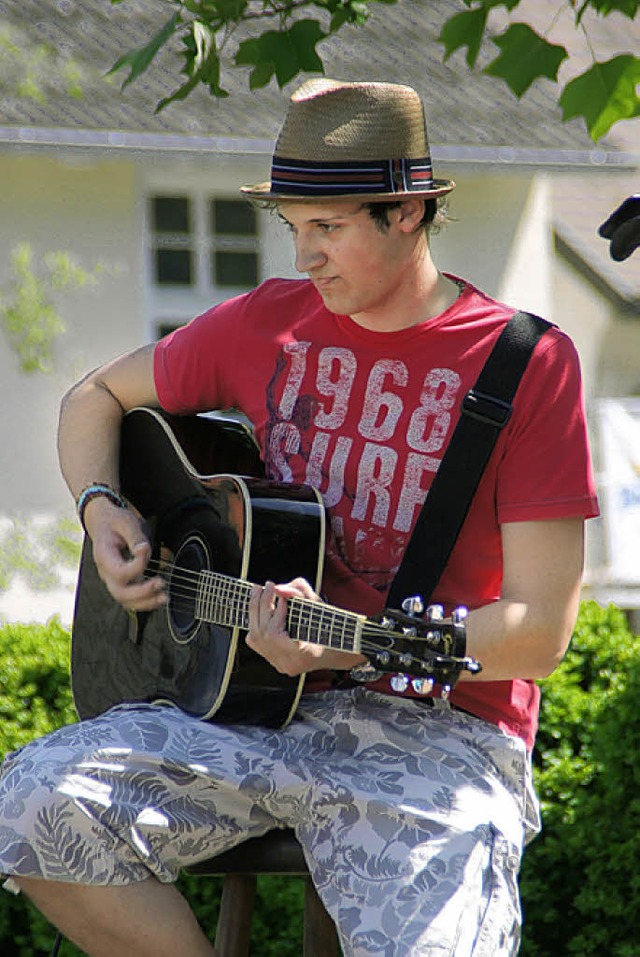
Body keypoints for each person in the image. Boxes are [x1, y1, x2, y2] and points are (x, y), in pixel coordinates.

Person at [0, 78, 598, 957]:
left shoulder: (526, 364)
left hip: (440, 738)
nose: (305, 256)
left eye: (328, 227)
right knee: (31, 804)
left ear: (406, 213)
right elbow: (94, 397)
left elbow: (541, 633)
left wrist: (350, 640)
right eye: (294, 227)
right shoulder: (267, 323)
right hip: (249, 714)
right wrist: (101, 509)